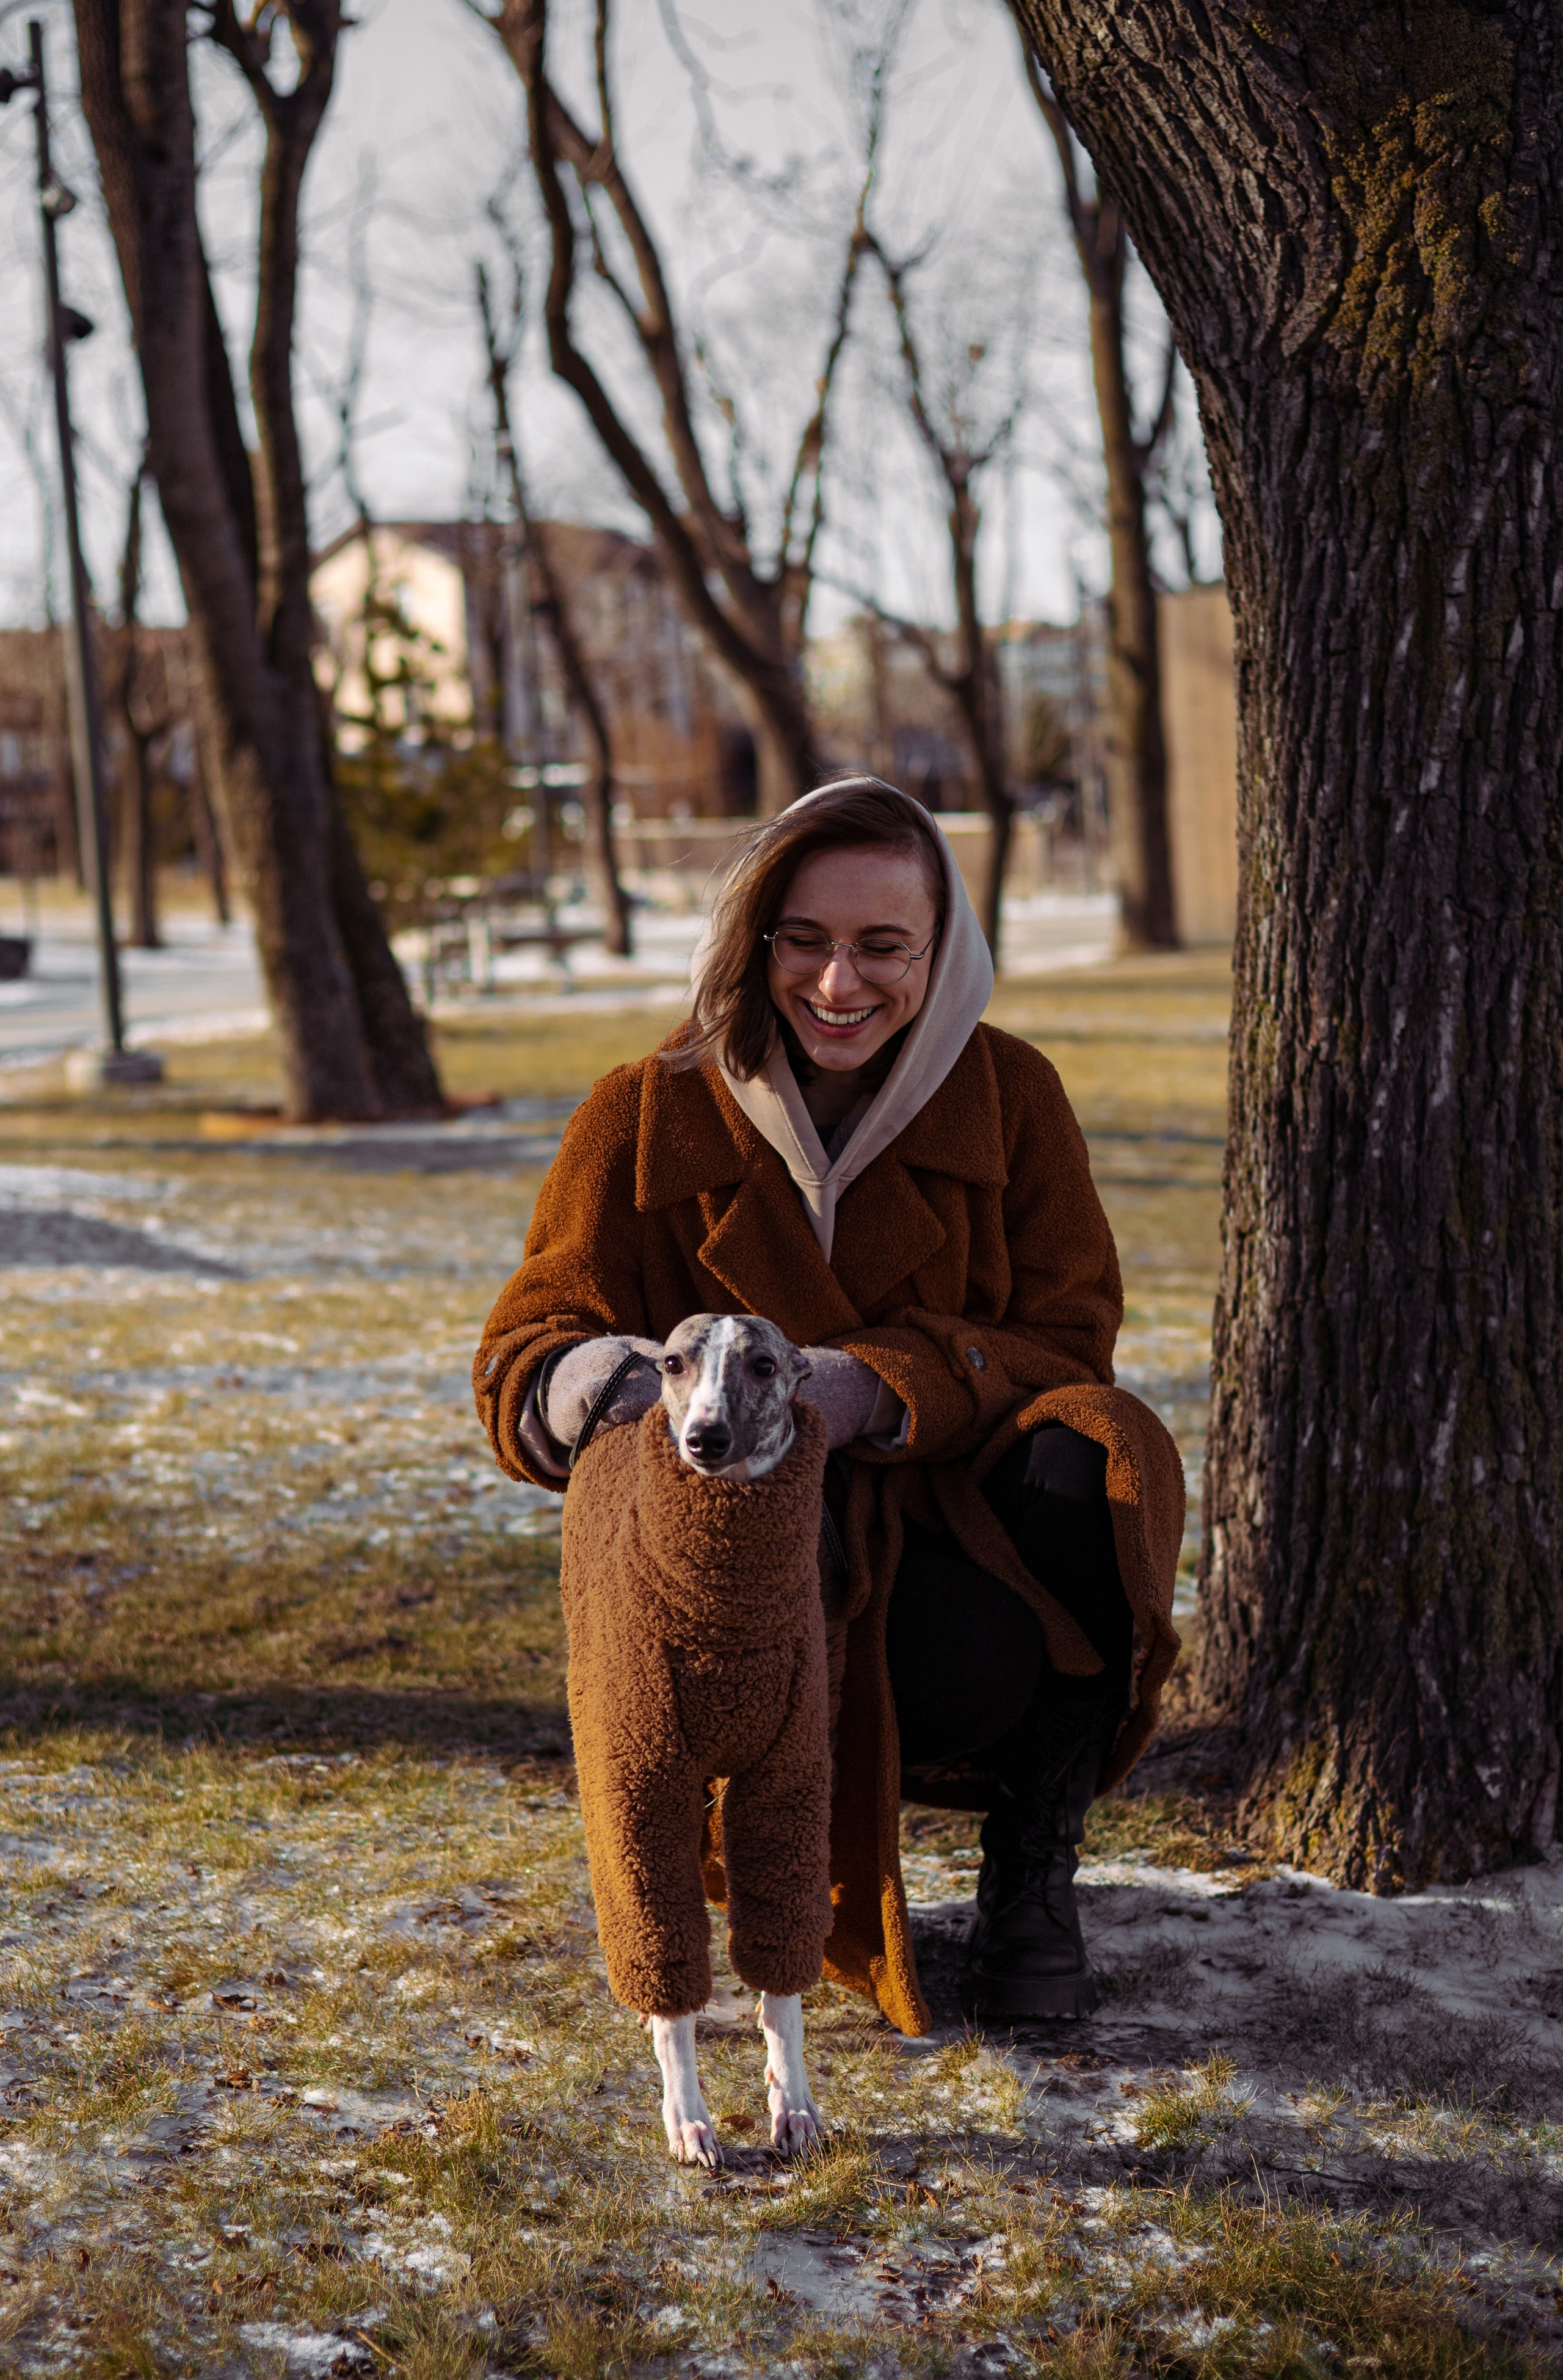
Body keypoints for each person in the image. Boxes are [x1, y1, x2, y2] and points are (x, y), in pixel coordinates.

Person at [474, 778, 1184, 2031]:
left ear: (940, 948)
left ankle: (1031, 1872)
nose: (836, 983)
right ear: (752, 941)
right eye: (802, 939)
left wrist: (876, 1386)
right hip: (725, 1561)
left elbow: (1069, 1337)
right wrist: (630, 1391)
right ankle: (723, 1874)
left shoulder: (1009, 1094)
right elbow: (528, 1347)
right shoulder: (640, 1111)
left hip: (939, 1527)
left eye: (880, 945)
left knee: (1106, 1450)